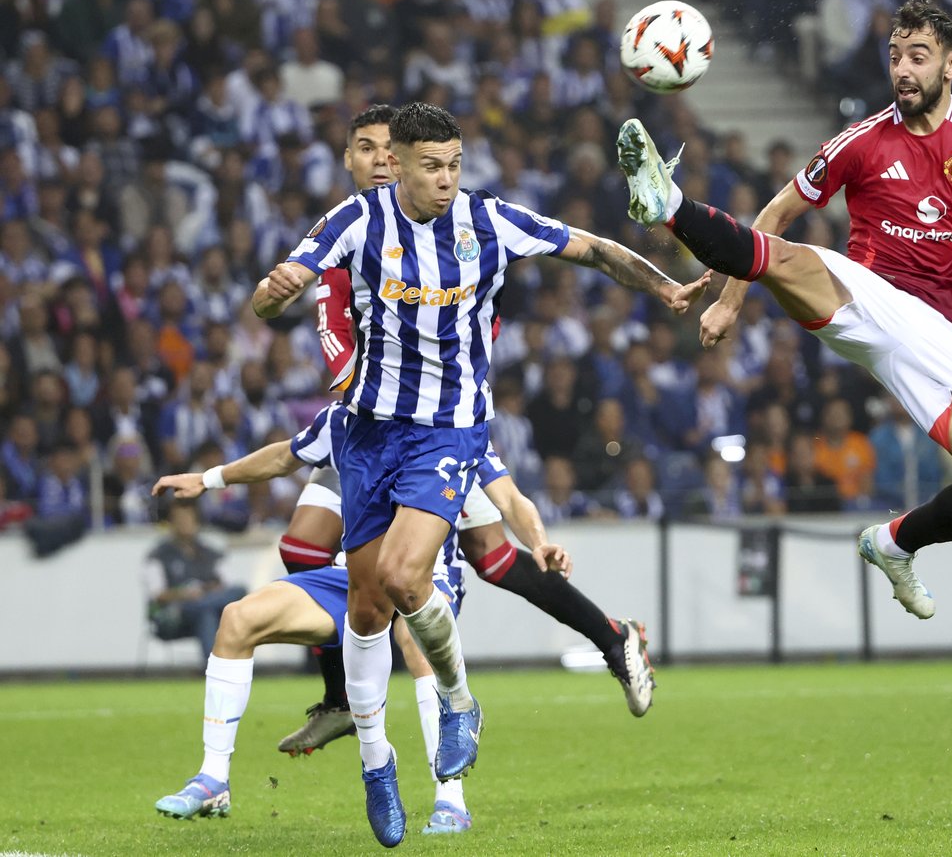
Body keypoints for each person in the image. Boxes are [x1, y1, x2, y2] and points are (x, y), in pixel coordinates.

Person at [253, 102, 705, 847]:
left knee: (407, 577)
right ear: (397, 165)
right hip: (366, 435)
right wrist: (272, 295)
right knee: (366, 607)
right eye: (432, 166)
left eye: (455, 165)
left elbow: (591, 248)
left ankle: (461, 706)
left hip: (448, 431)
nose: (446, 179)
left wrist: (663, 286)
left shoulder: (487, 219)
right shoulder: (356, 220)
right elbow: (278, 292)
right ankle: (377, 764)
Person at [617, 0, 952, 620]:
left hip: (937, 336)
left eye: (918, 57)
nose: (903, 70)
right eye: (895, 56)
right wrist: (730, 301)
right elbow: (776, 212)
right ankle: (669, 204)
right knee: (794, 258)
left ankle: (894, 543)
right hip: (866, 297)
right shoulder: (860, 143)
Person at [149, 402, 537, 833]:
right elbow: (283, 456)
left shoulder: (452, 421)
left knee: (414, 640)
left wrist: (539, 544)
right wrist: (207, 479)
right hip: (352, 578)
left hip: (428, 578)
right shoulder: (343, 419)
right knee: (237, 618)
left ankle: (450, 798)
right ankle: (213, 779)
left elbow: (509, 496)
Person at [145, 500, 247, 658]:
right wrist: (184, 595)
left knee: (237, 592)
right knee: (208, 612)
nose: (184, 523)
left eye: (188, 518)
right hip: (173, 615)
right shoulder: (158, 555)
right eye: (179, 519)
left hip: (206, 608)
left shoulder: (212, 553)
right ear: (171, 523)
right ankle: (217, 667)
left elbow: (228, 586)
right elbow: (157, 594)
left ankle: (212, 666)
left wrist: (205, 593)